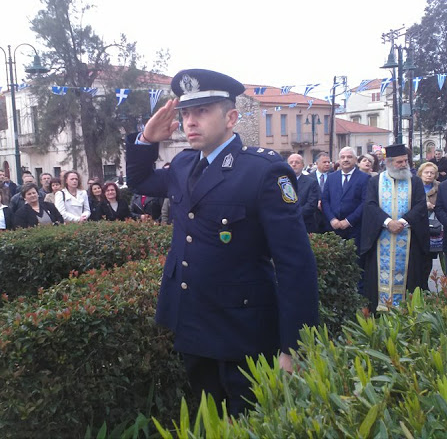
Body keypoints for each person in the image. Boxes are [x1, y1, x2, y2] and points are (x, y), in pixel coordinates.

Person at [125, 68, 318, 416]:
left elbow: (296, 265)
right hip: (192, 323)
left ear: (231, 117)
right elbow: (139, 181)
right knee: (208, 417)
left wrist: (294, 347)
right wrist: (146, 139)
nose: (189, 122)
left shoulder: (263, 171)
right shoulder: (184, 164)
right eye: (185, 113)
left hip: (243, 331)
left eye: (201, 111)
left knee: (247, 420)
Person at [361, 145, 430, 312]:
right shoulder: (375, 181)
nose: (404, 164)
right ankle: (380, 311)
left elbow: (421, 206)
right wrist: (387, 222)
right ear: (389, 162)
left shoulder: (415, 181)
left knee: (410, 279)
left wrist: (403, 222)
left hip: (408, 239)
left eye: (405, 161)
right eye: (399, 162)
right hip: (381, 238)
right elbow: (370, 205)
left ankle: (407, 312)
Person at [321, 146, 370, 251]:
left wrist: (348, 221)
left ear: (355, 160)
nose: (345, 160)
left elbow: (365, 202)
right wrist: (332, 219)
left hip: (354, 228)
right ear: (339, 160)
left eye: (349, 157)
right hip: (333, 228)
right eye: (342, 157)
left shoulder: (365, 178)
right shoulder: (331, 177)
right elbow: (325, 200)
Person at [287, 153, 319, 233]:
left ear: (303, 165)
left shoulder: (311, 182)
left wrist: (294, 215)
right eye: (291, 162)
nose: (294, 164)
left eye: (297, 162)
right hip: (286, 225)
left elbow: (311, 204)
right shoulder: (281, 182)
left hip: (305, 226)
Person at [313, 152, 332, 233]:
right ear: (317, 163)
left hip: (330, 216)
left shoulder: (334, 177)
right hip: (314, 217)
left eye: (328, 162)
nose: (327, 164)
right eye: (324, 162)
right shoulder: (308, 178)